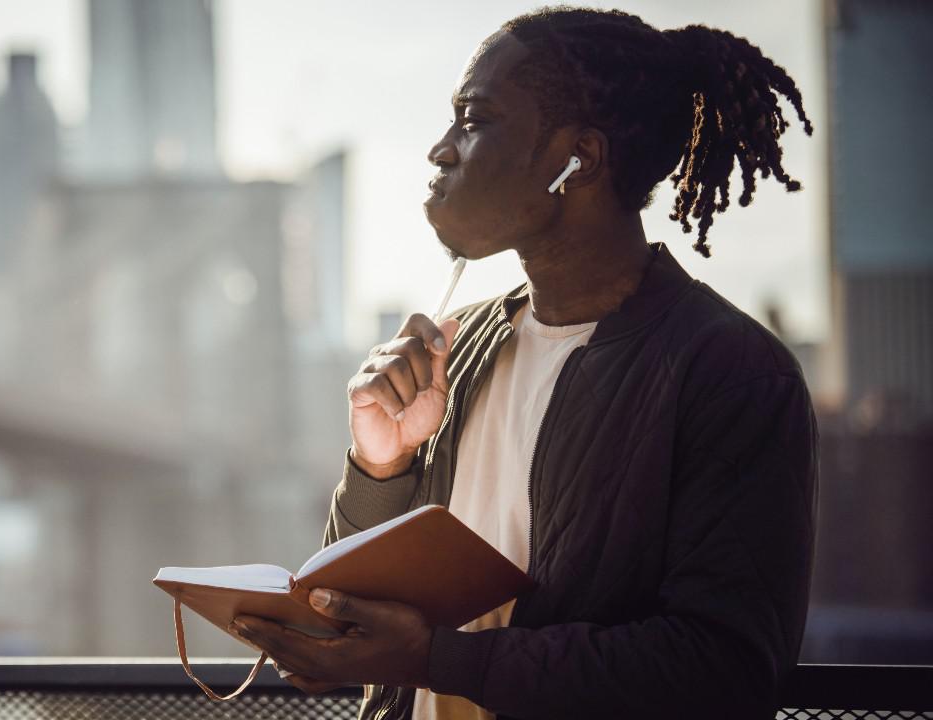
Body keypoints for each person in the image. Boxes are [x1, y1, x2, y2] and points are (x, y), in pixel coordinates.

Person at [228, 7, 819, 719]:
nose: (440, 151)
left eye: (473, 119)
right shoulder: (461, 346)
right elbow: (355, 616)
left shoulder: (731, 371)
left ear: (580, 160)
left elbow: (724, 670)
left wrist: (433, 659)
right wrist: (380, 467)